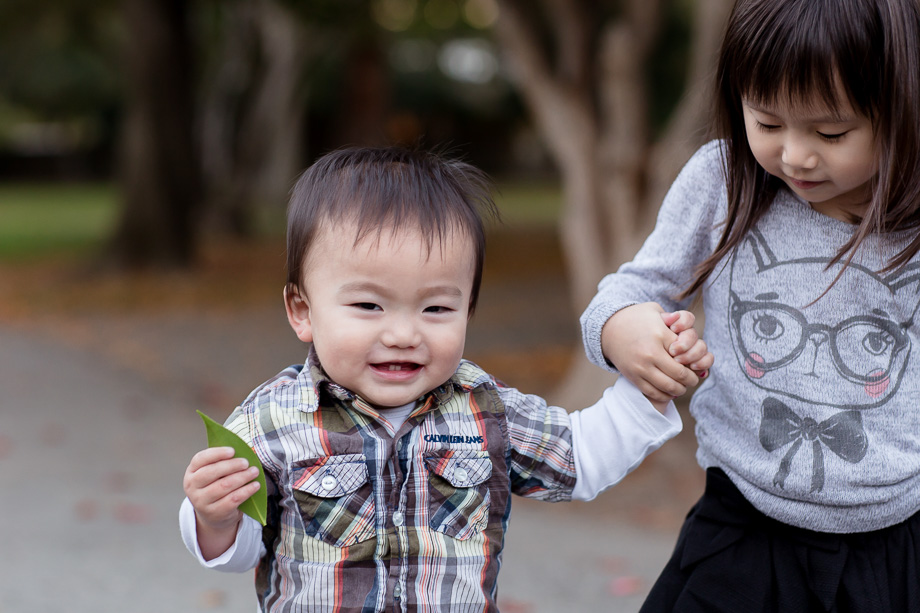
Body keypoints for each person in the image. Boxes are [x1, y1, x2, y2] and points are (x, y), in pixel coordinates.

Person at [179, 146, 712, 611]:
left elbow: (579, 456)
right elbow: (243, 551)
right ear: (303, 310)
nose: (404, 333)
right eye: (368, 305)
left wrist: (649, 387)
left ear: (468, 310)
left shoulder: (484, 411)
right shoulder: (272, 418)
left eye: (436, 308)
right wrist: (215, 518)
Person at [580, 0, 920, 611]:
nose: (795, 155)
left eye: (831, 132)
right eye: (767, 123)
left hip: (891, 549)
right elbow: (631, 291)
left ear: (901, 109)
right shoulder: (725, 180)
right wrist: (625, 330)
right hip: (740, 528)